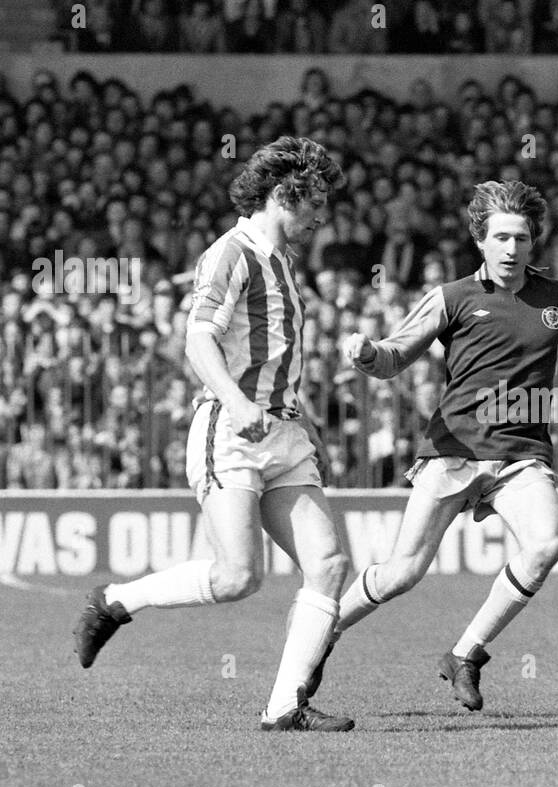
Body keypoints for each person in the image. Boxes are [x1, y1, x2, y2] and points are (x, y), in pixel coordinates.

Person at [73, 136, 358, 733]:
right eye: (316, 202)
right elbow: (198, 339)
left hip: (283, 434)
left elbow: (275, 359)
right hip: (229, 429)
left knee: (329, 564)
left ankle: (284, 708)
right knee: (236, 578)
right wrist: (234, 398)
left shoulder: (280, 260)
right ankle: (115, 601)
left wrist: (305, 429)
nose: (322, 215)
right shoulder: (232, 253)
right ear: (286, 194)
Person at [318, 180, 558, 712]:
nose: (513, 249)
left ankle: (465, 654)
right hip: (454, 450)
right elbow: (395, 356)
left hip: (521, 454)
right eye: (502, 238)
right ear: (481, 242)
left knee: (547, 543)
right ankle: (324, 632)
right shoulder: (452, 298)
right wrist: (367, 354)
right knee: (403, 573)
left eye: (522, 238)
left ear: (534, 243)